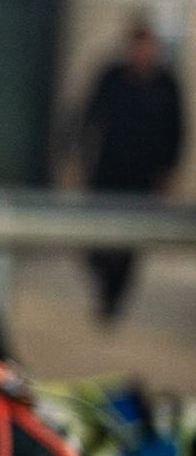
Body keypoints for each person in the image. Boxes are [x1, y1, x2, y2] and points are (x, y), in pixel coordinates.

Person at [77, 16, 185, 321]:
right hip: (107, 172)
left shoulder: (166, 84)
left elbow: (176, 131)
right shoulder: (112, 77)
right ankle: (104, 285)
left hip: (142, 179)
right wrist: (80, 160)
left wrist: (167, 173)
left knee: (130, 245)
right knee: (94, 239)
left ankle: (113, 300)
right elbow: (89, 117)